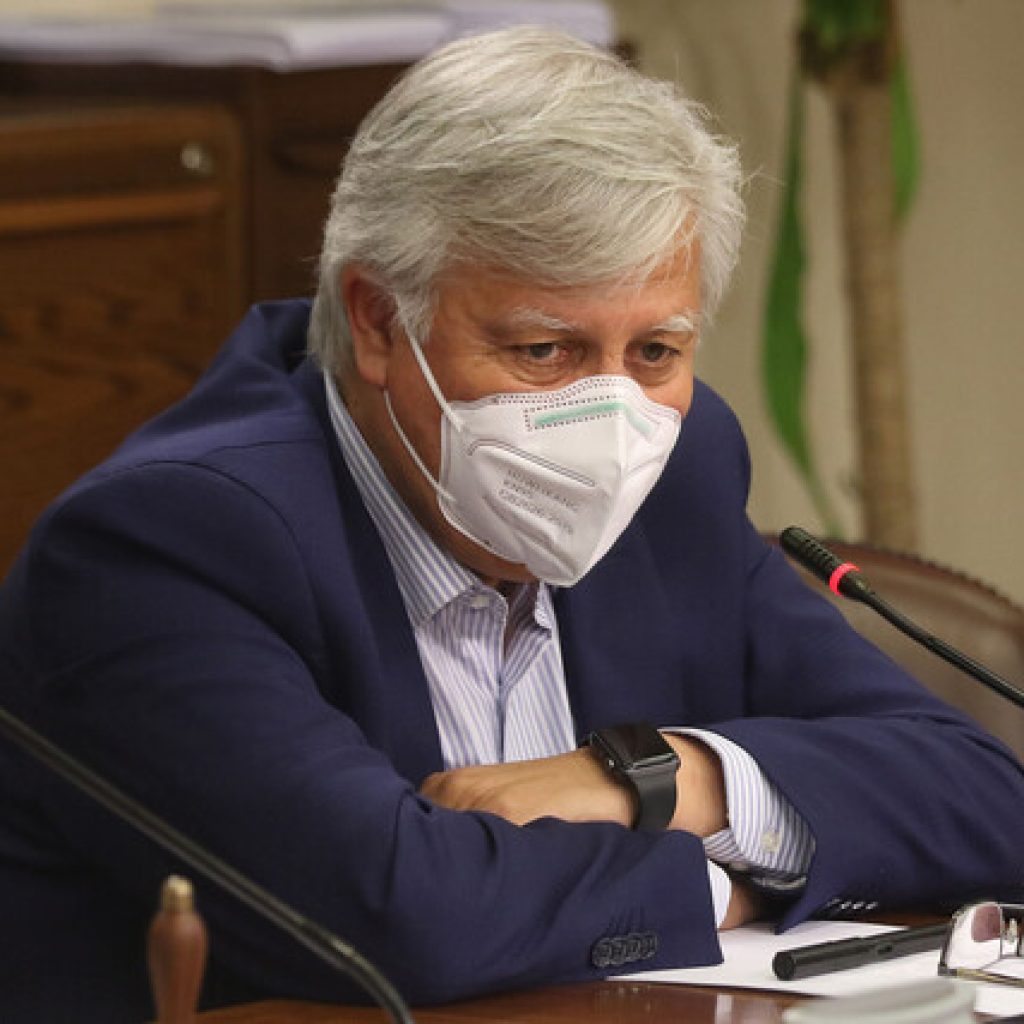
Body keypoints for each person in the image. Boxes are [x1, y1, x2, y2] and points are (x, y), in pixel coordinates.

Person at [1, 25, 1022, 1024]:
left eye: (655, 351)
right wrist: (733, 880)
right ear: (377, 321)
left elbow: (985, 796)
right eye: (543, 351)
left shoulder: (678, 470)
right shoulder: (164, 544)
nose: (610, 419)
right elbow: (404, 917)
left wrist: (669, 781)